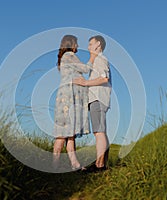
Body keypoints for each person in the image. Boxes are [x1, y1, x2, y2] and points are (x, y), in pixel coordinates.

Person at [52, 35, 96, 170]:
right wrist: (93, 56)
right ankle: (54, 166)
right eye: (76, 43)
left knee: (70, 135)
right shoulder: (69, 55)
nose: (77, 46)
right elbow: (85, 69)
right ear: (71, 44)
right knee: (62, 135)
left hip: (67, 100)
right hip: (68, 101)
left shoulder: (65, 57)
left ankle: (74, 164)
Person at [73, 35, 111, 172]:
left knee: (99, 132)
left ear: (98, 44)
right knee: (101, 132)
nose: (88, 47)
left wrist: (85, 83)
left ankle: (99, 166)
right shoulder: (98, 60)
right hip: (98, 99)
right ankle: (103, 164)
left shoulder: (100, 59)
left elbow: (104, 78)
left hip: (98, 99)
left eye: (90, 44)